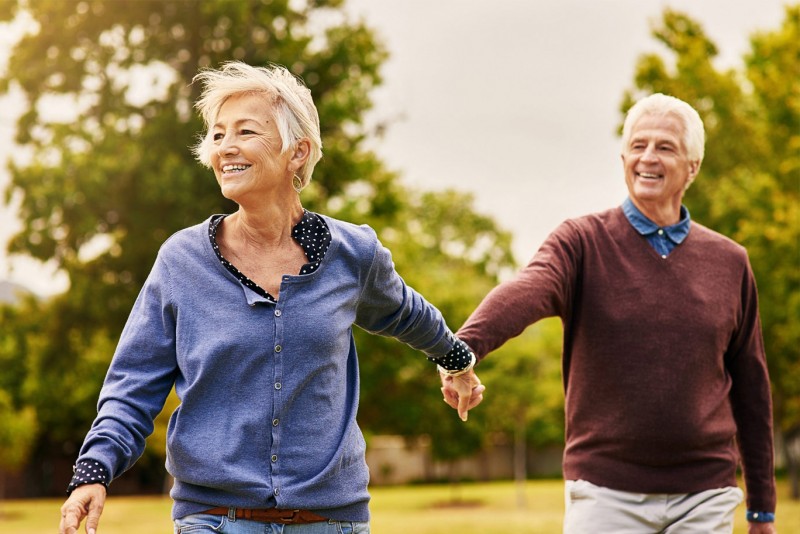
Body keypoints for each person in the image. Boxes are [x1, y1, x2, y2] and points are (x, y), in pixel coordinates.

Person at [59, 61, 483, 534]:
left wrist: (456, 360)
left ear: (297, 152)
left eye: (245, 131)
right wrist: (93, 472)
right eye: (218, 135)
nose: (226, 148)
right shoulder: (182, 261)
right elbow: (133, 384)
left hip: (330, 522)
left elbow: (406, 313)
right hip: (215, 520)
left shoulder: (352, 255)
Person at [442, 93, 777, 533]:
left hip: (704, 495)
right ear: (623, 157)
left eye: (665, 147)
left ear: (692, 166)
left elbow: (751, 388)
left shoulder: (730, 262)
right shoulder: (581, 243)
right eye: (638, 145)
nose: (648, 158)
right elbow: (526, 290)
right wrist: (461, 351)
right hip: (604, 494)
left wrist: (762, 510)